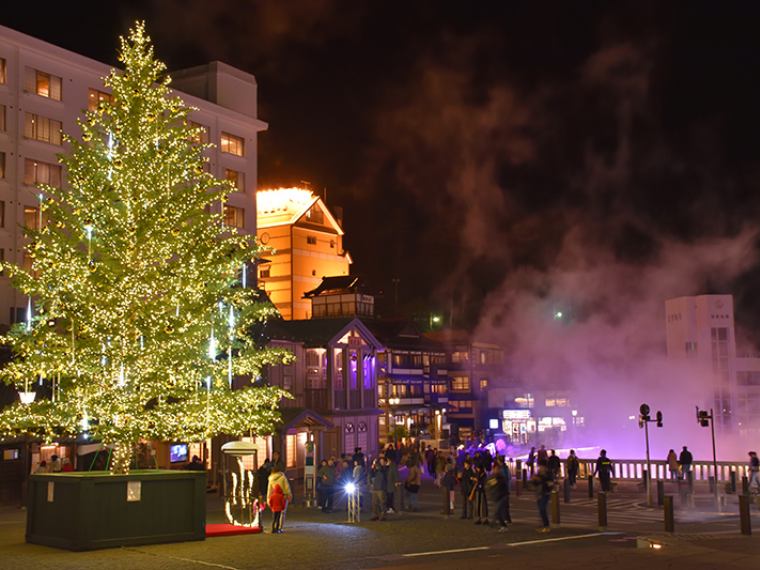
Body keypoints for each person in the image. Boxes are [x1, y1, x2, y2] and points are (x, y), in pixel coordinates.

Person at [267, 465, 292, 534]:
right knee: (282, 512)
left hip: (274, 497)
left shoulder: (270, 479)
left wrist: (269, 499)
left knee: (275, 513)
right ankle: (280, 527)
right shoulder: (283, 477)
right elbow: (287, 487)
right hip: (283, 496)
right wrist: (289, 495)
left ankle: (274, 527)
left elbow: (269, 490)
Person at [532, 461, 553, 533]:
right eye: (539, 467)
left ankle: (546, 525)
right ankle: (543, 525)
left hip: (545, 494)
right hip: (539, 493)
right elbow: (534, 484)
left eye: (541, 467)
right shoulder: (538, 474)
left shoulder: (548, 475)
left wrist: (541, 480)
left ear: (545, 467)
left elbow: (550, 485)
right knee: (541, 510)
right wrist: (534, 480)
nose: (540, 468)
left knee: (542, 509)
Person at [493, 461, 511, 531]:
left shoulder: (501, 477)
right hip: (498, 496)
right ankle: (503, 524)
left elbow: (503, 486)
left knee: (499, 510)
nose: (497, 470)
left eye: (498, 469)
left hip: (502, 496)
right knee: (498, 511)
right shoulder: (494, 477)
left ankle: (504, 524)